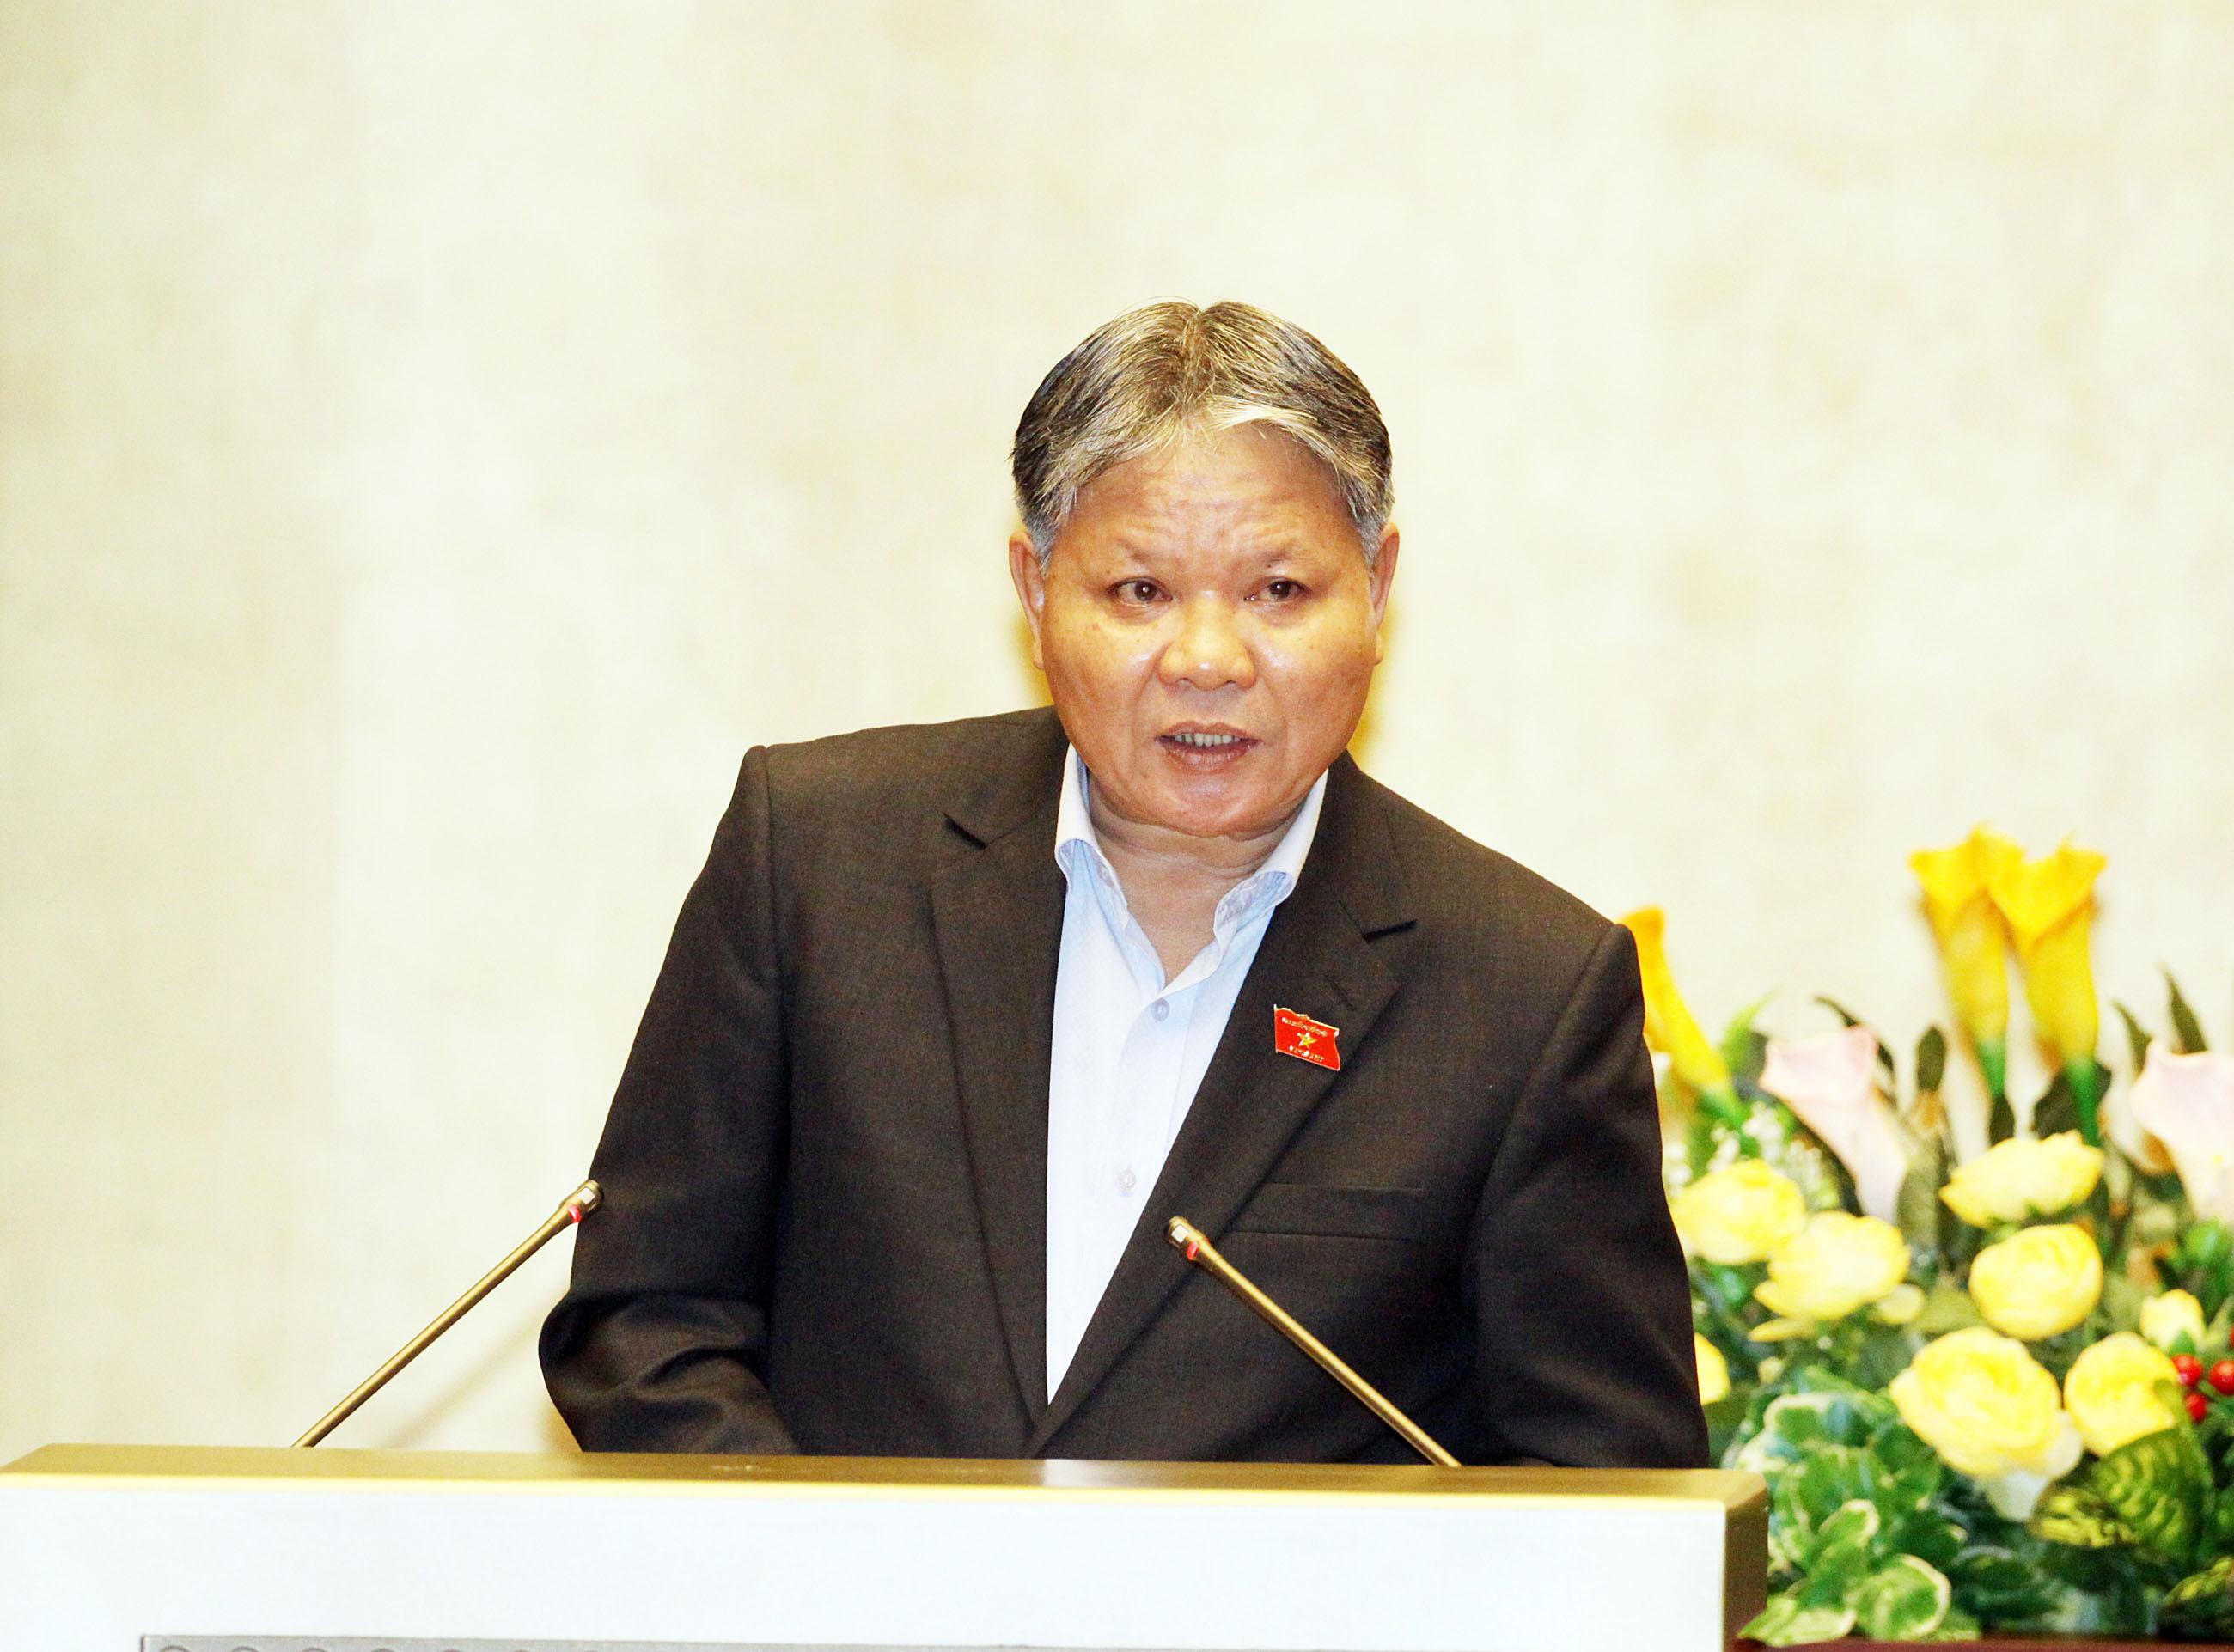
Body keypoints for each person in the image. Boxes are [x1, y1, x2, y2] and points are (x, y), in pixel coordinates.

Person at [540, 300, 1707, 1467]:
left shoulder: (1526, 993)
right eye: (1140, 592)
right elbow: (646, 1319)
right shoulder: (816, 861)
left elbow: (1608, 1485)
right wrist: (829, 1557)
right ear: (1037, 590)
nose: (1208, 661)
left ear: (1377, 587)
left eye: (1279, 592)